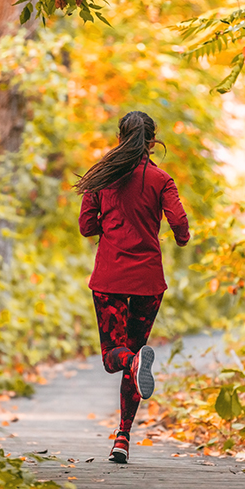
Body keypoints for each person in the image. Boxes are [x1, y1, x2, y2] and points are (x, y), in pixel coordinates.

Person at [75, 110, 190, 464]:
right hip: (148, 280)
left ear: (120, 136)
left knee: (115, 358)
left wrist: (107, 227)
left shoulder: (102, 177)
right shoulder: (161, 179)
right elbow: (180, 222)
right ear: (152, 140)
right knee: (134, 357)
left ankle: (134, 360)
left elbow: (85, 226)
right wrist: (181, 238)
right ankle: (122, 437)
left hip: (110, 277)